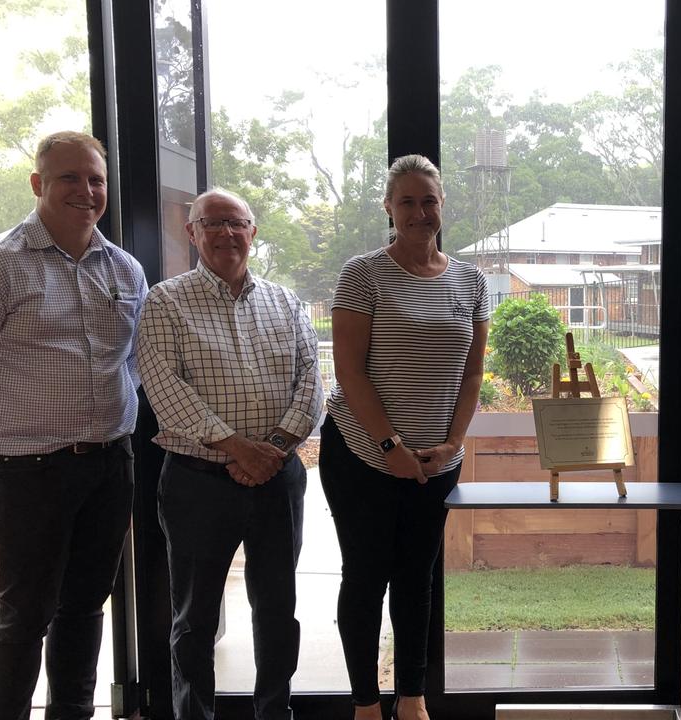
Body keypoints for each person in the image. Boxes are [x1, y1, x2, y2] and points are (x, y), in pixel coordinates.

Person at [0, 131, 146, 720]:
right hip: (28, 472)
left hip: (108, 465)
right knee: (24, 616)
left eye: (96, 180)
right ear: (39, 184)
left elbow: (136, 362)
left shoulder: (124, 269)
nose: (86, 191)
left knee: (86, 607)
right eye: (70, 178)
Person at [137, 188, 322, 720]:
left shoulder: (286, 303)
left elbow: (311, 383)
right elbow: (163, 387)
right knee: (194, 617)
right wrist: (241, 449)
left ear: (253, 233)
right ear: (191, 233)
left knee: (278, 611)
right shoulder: (166, 301)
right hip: (196, 482)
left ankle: (274, 711)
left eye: (236, 223)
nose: (225, 233)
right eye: (211, 223)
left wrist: (276, 449)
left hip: (279, 477)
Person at [319, 154, 489, 720]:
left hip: (436, 461)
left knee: (418, 579)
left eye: (429, 201)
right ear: (389, 209)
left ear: (443, 207)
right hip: (364, 456)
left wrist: (452, 444)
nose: (420, 212)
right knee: (365, 579)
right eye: (408, 202)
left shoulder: (471, 279)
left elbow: (471, 373)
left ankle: (412, 700)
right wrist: (391, 448)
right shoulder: (364, 273)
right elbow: (349, 371)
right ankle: (366, 704)